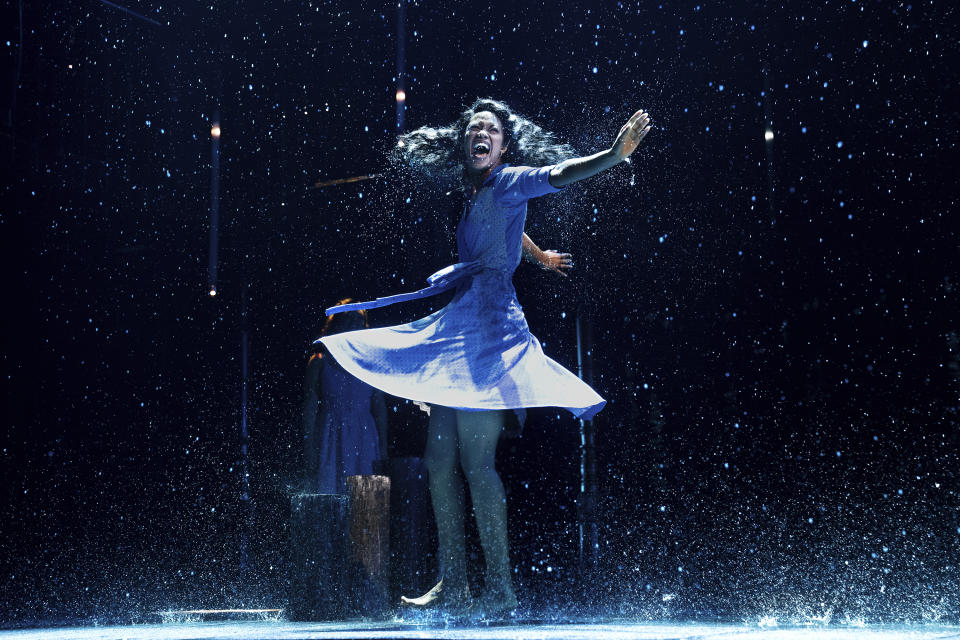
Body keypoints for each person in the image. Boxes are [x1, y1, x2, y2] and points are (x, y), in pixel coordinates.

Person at [319, 99, 651, 618]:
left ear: (503, 145)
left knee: (476, 464)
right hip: (460, 325)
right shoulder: (479, 193)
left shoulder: (514, 177)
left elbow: (558, 174)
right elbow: (509, 223)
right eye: (474, 127)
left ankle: (501, 587)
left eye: (490, 129)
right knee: (437, 462)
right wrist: (539, 256)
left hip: (491, 331)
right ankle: (456, 583)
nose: (480, 133)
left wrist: (611, 155)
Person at [302, 303, 388, 494]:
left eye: (358, 320)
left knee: (365, 498)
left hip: (364, 435)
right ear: (337, 324)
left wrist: (383, 446)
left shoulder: (370, 361)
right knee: (330, 493)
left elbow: (379, 407)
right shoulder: (319, 361)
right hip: (331, 435)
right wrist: (308, 447)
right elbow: (309, 408)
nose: (353, 324)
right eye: (349, 319)